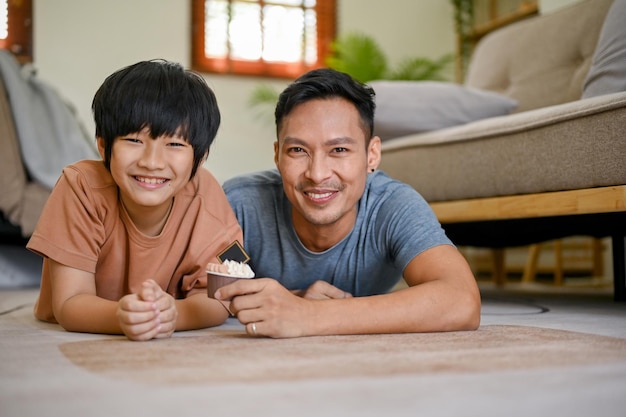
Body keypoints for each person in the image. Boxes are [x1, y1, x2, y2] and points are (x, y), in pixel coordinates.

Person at [218, 68, 481, 338]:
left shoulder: (392, 207)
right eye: (298, 150)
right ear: (277, 155)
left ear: (372, 155)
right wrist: (292, 298)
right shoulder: (242, 205)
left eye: (339, 150)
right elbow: (207, 290)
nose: (317, 174)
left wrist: (308, 315)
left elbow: (461, 300)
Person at [27, 60, 243, 341]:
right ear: (104, 145)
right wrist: (122, 316)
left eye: (175, 144)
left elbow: (222, 298)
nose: (152, 162)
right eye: (133, 140)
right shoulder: (79, 185)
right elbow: (70, 303)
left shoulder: (209, 195)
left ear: (200, 158)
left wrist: (174, 314)